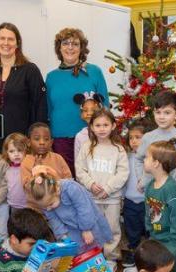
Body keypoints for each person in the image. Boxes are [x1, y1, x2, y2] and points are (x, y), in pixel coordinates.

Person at [46, 28, 110, 175]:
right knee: (66, 183)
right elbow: (49, 110)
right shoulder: (51, 77)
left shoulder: (94, 72)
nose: (70, 47)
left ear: (81, 48)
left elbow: (104, 106)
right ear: (59, 47)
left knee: (91, 179)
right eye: (65, 43)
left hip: (90, 137)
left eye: (75, 44)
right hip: (60, 139)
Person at [0, 23, 47, 148]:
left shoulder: (30, 70)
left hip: (21, 141)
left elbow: (40, 106)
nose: (6, 43)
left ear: (17, 43)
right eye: (2, 38)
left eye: (10, 39)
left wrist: (35, 138)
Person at [75, 109, 129, 271]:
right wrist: (91, 184)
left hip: (111, 198)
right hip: (91, 199)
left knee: (112, 228)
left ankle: (111, 258)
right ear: (91, 127)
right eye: (97, 125)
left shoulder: (118, 149)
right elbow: (80, 170)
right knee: (93, 228)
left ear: (113, 126)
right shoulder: (86, 147)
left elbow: (123, 172)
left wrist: (108, 188)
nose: (102, 128)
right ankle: (95, 256)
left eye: (105, 125)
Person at [27, 172, 112, 255]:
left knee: (94, 248)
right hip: (71, 228)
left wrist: (86, 229)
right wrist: (63, 236)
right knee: (78, 251)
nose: (48, 208)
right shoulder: (47, 202)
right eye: (45, 207)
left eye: (50, 205)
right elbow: (54, 220)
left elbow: (84, 208)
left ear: (57, 190)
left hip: (89, 223)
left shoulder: (71, 188)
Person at [143, 139, 176, 272]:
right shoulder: (149, 186)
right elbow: (148, 210)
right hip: (155, 237)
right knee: (157, 268)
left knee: (171, 270)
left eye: (147, 157)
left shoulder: (170, 187)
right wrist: (149, 230)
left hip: (170, 240)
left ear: (156, 163)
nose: (144, 160)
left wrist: (174, 240)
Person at [135, 90, 176, 187]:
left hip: (172, 192)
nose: (161, 117)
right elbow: (138, 160)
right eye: (158, 112)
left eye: (167, 113)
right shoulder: (148, 137)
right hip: (150, 191)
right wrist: (141, 179)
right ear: (153, 113)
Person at [121, 120, 150, 267]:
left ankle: (150, 255)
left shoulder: (151, 158)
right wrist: (122, 196)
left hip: (148, 201)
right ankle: (133, 251)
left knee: (150, 228)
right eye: (131, 138)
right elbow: (123, 178)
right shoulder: (126, 157)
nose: (134, 141)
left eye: (138, 137)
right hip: (130, 201)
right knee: (132, 229)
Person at [20, 123, 72, 188]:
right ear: (29, 142)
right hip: (37, 197)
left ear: (51, 142)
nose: (42, 142)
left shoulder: (58, 158)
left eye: (46, 139)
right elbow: (27, 187)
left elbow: (69, 181)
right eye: (37, 139)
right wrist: (37, 170)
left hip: (61, 196)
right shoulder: (26, 162)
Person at [72, 92, 105, 165]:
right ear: (81, 114)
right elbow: (78, 161)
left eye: (93, 110)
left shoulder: (105, 133)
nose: (89, 113)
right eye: (85, 110)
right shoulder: (79, 136)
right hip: (86, 174)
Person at [2, 132, 29, 212]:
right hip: (12, 206)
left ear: (26, 151)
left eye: (20, 150)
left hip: (29, 206)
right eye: (12, 151)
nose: (16, 154)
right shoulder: (6, 168)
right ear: (7, 152)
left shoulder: (29, 167)